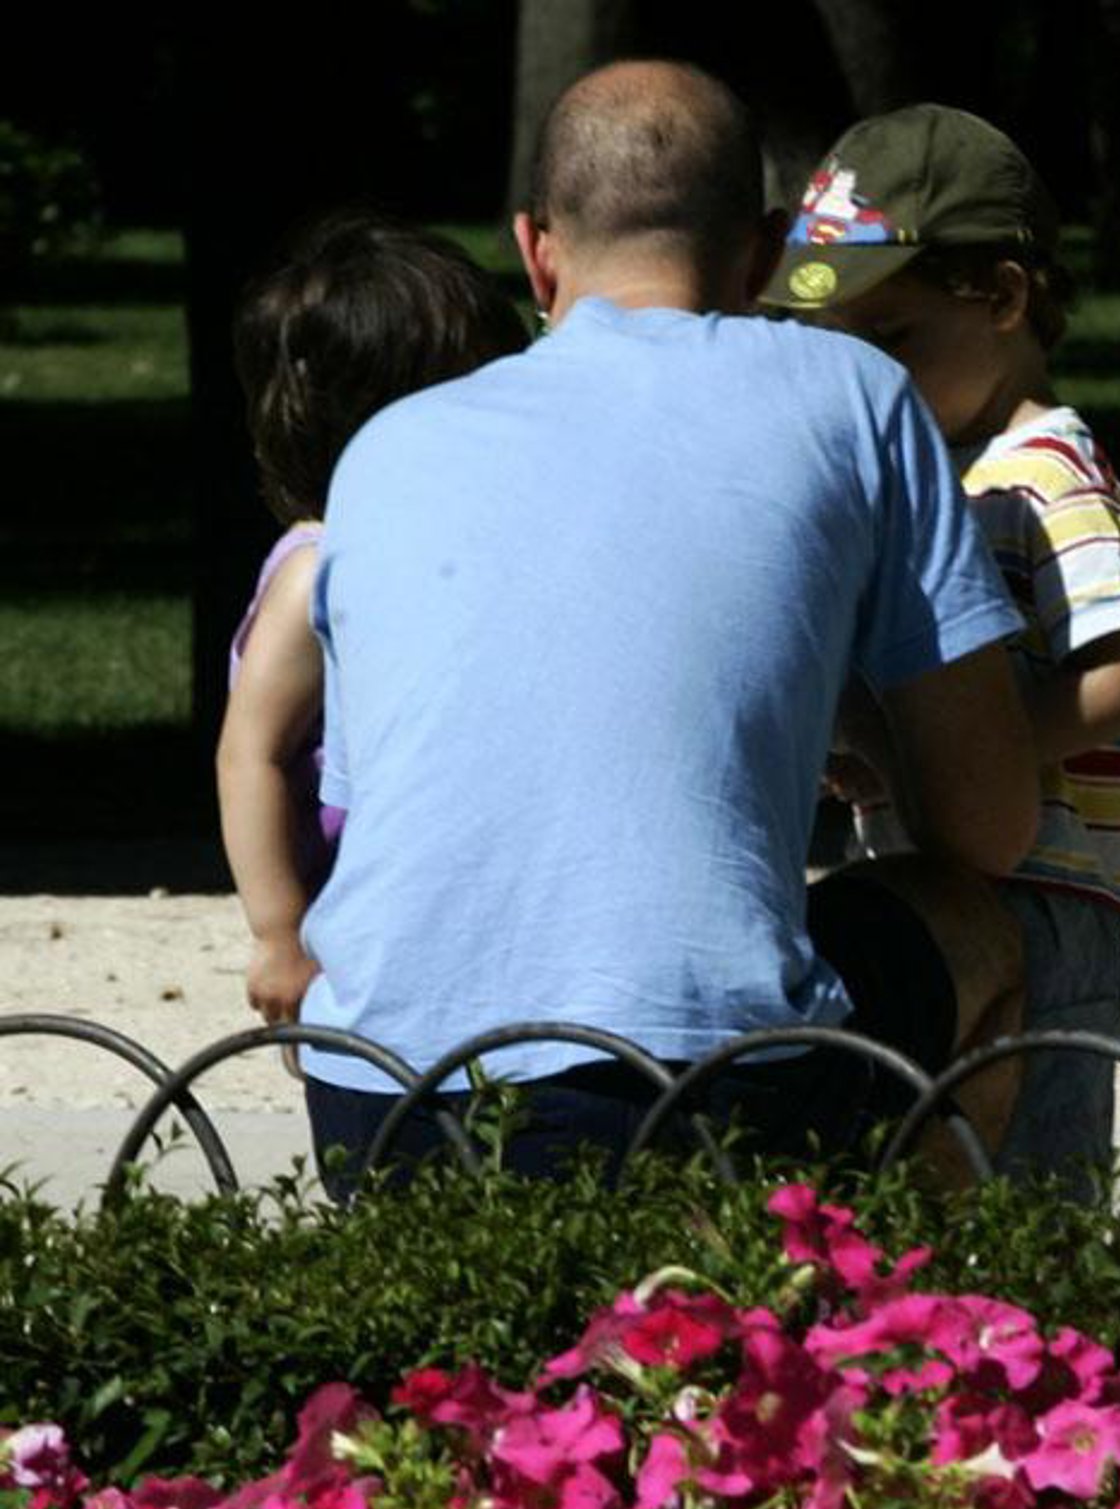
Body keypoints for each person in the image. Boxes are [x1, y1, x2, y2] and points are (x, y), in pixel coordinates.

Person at [295, 62, 1037, 1191]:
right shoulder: (853, 394)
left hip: (380, 1099)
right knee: (977, 931)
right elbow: (987, 825)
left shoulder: (386, 449)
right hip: (695, 1092)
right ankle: (868, 1288)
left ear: (535, 250)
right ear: (771, 250)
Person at [767, 103, 1120, 1192]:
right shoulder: (949, 470)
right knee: (926, 1187)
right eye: (840, 347)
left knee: (1033, 1199)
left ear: (1002, 296)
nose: (869, 378)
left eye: (893, 339)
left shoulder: (1049, 473)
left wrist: (956, 762)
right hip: (939, 886)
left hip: (1045, 902)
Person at [217, 213, 527, 1024]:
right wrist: (280, 933)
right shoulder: (319, 570)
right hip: (341, 928)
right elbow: (251, 754)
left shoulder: (439, 549)